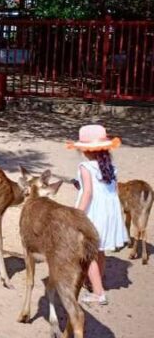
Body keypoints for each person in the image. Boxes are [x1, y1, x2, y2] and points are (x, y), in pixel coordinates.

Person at [67, 124, 129, 305]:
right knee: (100, 251)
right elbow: (113, 190)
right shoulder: (110, 166)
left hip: (94, 211)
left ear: (85, 150)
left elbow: (88, 194)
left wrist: (76, 215)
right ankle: (96, 282)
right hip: (110, 211)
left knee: (89, 253)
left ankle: (99, 293)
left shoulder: (85, 167)